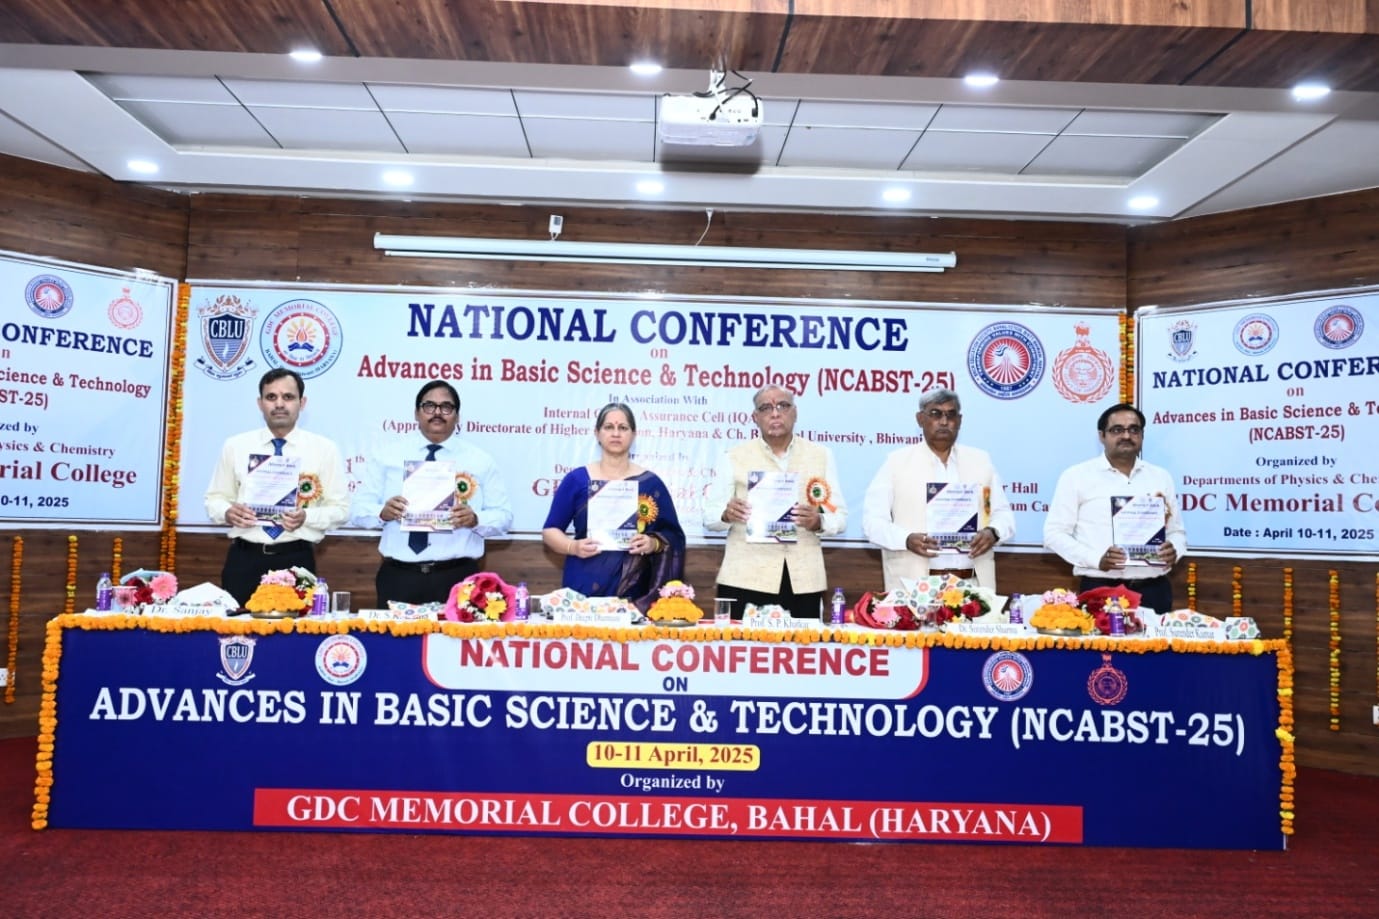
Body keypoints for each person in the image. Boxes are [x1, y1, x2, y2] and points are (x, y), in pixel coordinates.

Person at [351, 380, 513, 606]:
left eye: (446, 407)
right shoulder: (387, 456)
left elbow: (504, 517)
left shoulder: (480, 461)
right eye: (429, 406)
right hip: (399, 576)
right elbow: (357, 511)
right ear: (416, 413)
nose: (437, 413)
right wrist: (382, 512)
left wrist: (475, 519)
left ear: (457, 416)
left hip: (458, 578)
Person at [204, 368, 350, 606]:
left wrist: (306, 517)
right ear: (260, 403)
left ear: (302, 403)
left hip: (297, 559)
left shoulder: (324, 449)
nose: (279, 404)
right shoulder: (235, 446)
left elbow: (341, 510)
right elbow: (215, 499)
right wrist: (227, 512)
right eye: (271, 397)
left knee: (297, 630)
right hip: (244, 559)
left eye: (288, 397)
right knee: (237, 627)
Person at [703, 385, 847, 619]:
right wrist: (725, 514)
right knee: (742, 643)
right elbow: (709, 517)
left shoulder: (821, 455)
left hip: (802, 579)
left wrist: (819, 521)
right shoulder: (733, 457)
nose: (775, 413)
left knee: (802, 644)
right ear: (755, 417)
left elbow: (839, 517)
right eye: (766, 408)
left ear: (795, 412)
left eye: (783, 405)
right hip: (745, 576)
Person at [862, 388, 1015, 591]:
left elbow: (1003, 515)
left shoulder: (981, 461)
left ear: (959, 421)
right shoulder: (896, 463)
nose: (944, 421)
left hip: (972, 586)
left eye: (951, 415)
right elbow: (872, 523)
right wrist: (906, 540)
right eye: (935, 414)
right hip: (915, 586)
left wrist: (993, 532)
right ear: (920, 419)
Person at [1043, 402, 1187, 614]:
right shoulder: (1077, 476)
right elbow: (1053, 534)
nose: (1126, 436)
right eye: (1117, 430)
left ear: (1142, 435)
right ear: (1102, 436)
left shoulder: (1160, 477)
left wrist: (1173, 550)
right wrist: (1096, 560)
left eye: (1134, 430)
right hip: (1100, 589)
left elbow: (1177, 532)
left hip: (1154, 590)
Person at [541, 403, 686, 611]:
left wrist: (652, 544)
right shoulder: (577, 480)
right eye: (609, 427)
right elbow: (550, 531)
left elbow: (673, 536)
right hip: (583, 585)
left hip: (633, 592)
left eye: (623, 428)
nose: (616, 433)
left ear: (633, 435)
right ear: (597, 433)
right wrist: (573, 547)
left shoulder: (650, 483)